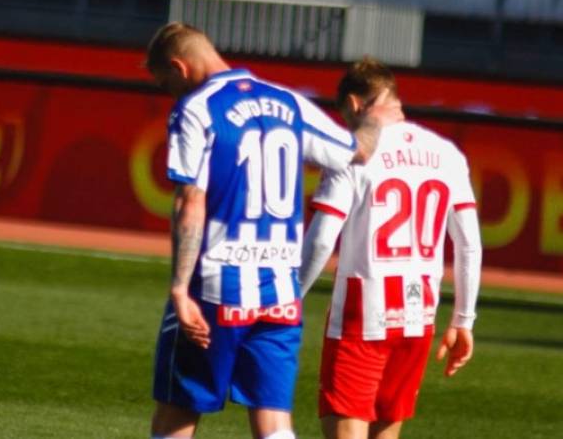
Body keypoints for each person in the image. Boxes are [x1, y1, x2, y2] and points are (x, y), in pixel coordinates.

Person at [145, 24, 403, 439]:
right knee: (273, 423)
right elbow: (356, 150)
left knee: (178, 413)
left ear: (179, 66)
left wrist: (179, 288)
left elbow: (189, 200)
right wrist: (373, 119)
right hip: (280, 293)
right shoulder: (288, 102)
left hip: (218, 286)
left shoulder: (196, 109)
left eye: (166, 82)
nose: (169, 92)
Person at [299, 57, 482, 439]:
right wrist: (463, 319)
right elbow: (468, 243)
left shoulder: (353, 152)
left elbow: (320, 239)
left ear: (352, 105)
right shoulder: (447, 153)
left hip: (361, 312)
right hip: (418, 314)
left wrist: (290, 296)